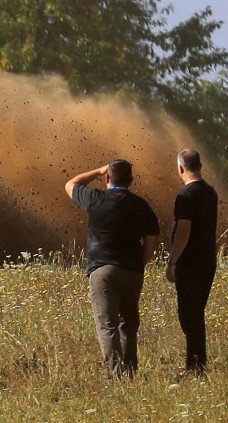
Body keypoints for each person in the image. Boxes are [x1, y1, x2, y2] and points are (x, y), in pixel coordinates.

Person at [65, 160, 160, 377]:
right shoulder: (141, 205)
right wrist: (140, 263)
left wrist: (99, 170)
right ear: (131, 181)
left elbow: (71, 184)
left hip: (102, 271)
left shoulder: (95, 199)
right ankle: (130, 372)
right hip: (132, 271)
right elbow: (152, 239)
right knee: (129, 323)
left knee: (107, 325)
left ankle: (117, 376)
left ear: (107, 178)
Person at [165, 149, 219, 378]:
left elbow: (184, 230)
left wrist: (173, 261)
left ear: (180, 168)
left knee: (189, 314)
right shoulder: (210, 192)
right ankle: (196, 363)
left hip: (190, 262)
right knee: (195, 313)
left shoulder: (185, 196)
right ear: (200, 165)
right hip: (207, 260)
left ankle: (195, 366)